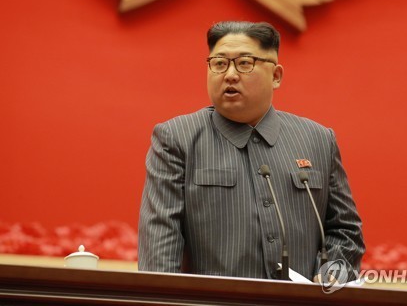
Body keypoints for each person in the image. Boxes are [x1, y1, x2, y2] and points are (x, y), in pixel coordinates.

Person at [138, 21, 364, 281]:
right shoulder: (178, 139)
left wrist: (332, 276)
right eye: (220, 63)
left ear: (276, 76)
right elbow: (160, 246)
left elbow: (345, 230)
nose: (230, 74)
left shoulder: (318, 140)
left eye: (245, 63)